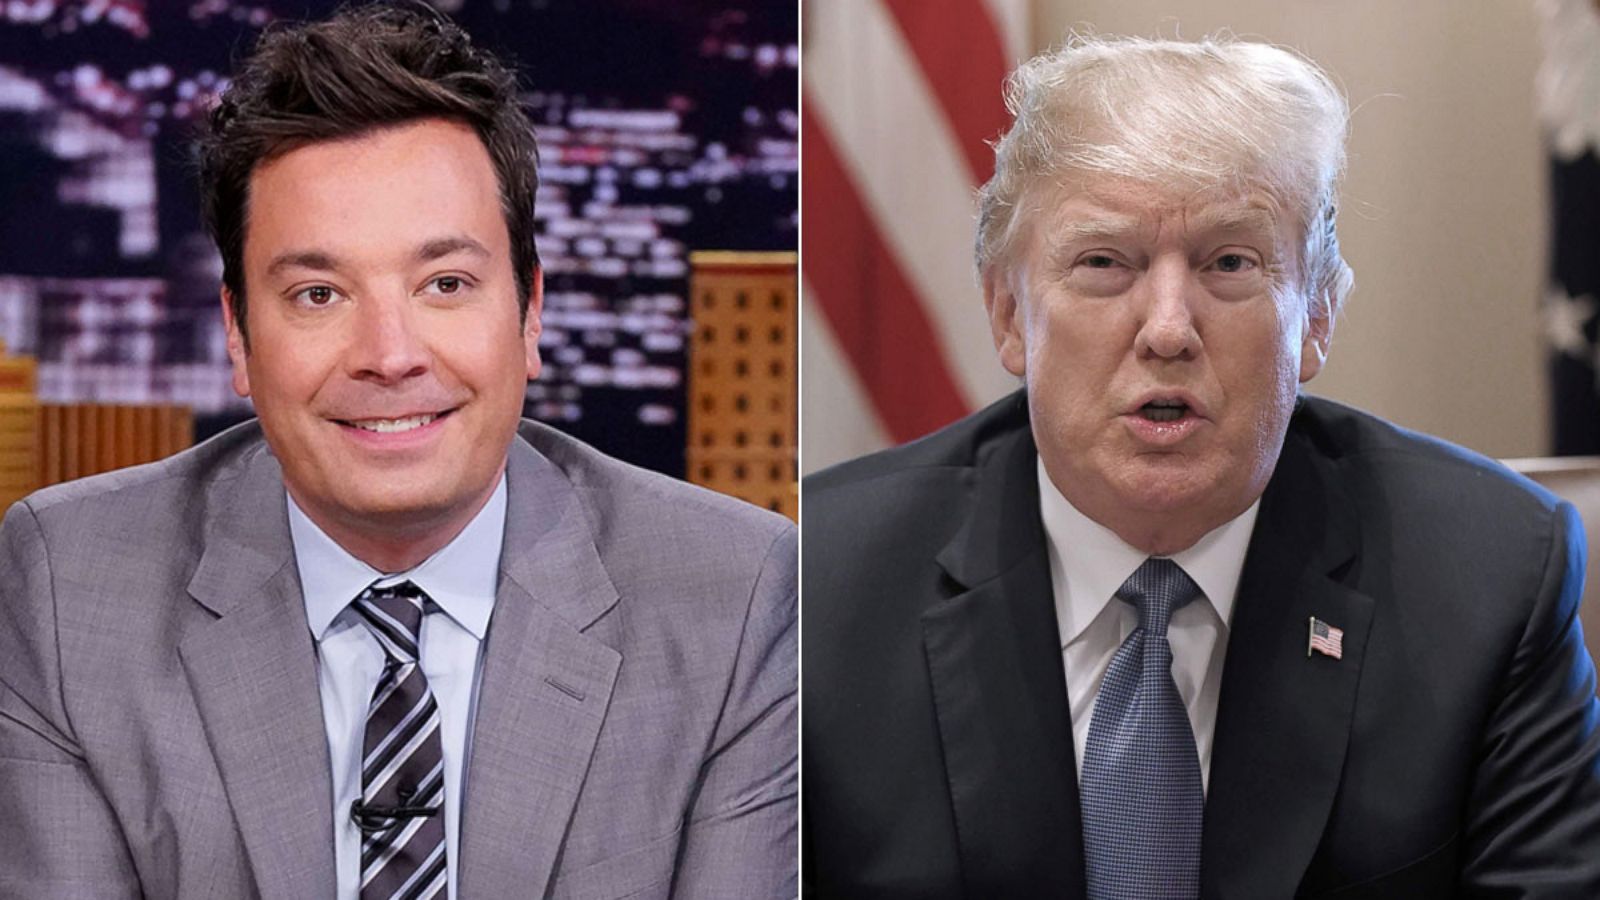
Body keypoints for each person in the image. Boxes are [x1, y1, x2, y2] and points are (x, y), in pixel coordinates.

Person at [0, 6, 795, 898]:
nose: (390, 353)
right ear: (236, 334)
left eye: (445, 284)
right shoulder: (69, 592)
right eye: (317, 294)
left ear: (530, 313)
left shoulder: (740, 601)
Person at [803, 35, 1600, 898]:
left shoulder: (1489, 576)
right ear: (1007, 313)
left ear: (1318, 318)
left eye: (1230, 263)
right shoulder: (820, 583)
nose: (1169, 329)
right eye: (1106, 263)